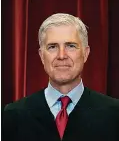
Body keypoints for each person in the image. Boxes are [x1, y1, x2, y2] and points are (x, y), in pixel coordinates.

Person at [3, 13, 119, 141]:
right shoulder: (12, 115)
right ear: (42, 56)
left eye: (71, 46)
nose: (62, 55)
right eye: (52, 47)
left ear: (85, 54)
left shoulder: (114, 114)